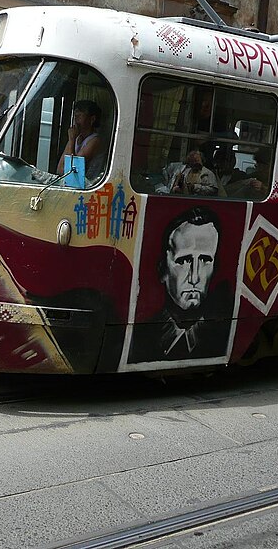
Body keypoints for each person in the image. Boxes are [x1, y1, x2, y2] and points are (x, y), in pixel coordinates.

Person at [128, 207, 232, 363]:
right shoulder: (138, 336)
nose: (194, 277)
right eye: (183, 261)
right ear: (163, 269)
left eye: (205, 260)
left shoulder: (223, 335)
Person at [57, 100, 105, 181]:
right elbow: (60, 170)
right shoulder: (76, 137)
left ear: (92, 119)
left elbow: (72, 172)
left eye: (80, 115)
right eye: (75, 116)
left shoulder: (95, 140)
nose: (76, 119)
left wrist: (72, 141)